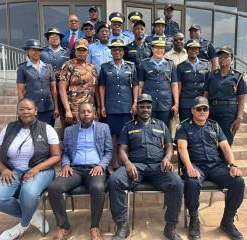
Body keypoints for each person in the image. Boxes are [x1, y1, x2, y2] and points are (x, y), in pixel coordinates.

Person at [108, 93, 183, 240]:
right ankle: (122, 226)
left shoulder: (161, 125)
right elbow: (121, 149)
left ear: (151, 108)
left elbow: (169, 146)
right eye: (142, 106)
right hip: (136, 167)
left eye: (148, 106)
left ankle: (170, 227)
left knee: (177, 183)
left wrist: (167, 158)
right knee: (114, 181)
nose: (145, 109)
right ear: (137, 109)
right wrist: (128, 163)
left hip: (158, 167)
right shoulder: (128, 127)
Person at [0, 98, 61, 240]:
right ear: (17, 111)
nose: (25, 111)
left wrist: (36, 169)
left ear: (36, 111)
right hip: (12, 170)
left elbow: (56, 156)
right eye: (21, 109)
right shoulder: (8, 128)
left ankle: (21, 226)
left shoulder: (47, 129)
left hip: (41, 170)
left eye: (29, 108)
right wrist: (4, 169)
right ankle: (32, 215)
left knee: (29, 192)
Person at [175, 96, 245, 240]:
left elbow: (225, 147)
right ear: (192, 110)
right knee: (192, 182)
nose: (202, 111)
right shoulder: (184, 126)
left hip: (215, 166)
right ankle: (194, 220)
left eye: (205, 108)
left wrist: (232, 165)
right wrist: (188, 167)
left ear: (208, 111)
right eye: (199, 108)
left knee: (238, 181)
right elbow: (182, 147)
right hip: (196, 166)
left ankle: (227, 222)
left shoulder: (215, 126)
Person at [48, 103, 112, 240]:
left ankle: (95, 226)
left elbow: (108, 152)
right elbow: (65, 152)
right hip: (75, 169)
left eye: (89, 111)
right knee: (54, 188)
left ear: (94, 114)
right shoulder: (69, 130)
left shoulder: (103, 128)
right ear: (78, 114)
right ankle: (64, 226)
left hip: (95, 168)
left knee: (98, 187)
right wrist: (65, 164)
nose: (86, 114)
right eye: (83, 111)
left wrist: (101, 165)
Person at [99, 39, 138, 169]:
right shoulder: (105, 67)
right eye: (115, 50)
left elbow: (135, 86)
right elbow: (102, 87)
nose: (117, 52)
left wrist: (135, 103)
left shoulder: (131, 66)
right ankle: (114, 162)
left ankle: (124, 162)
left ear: (123, 52)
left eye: (120, 50)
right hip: (110, 106)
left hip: (126, 107)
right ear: (111, 51)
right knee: (112, 137)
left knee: (125, 135)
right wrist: (102, 106)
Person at [203, 46, 247, 146]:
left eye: (225, 56)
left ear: (231, 59)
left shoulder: (238, 76)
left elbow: (241, 99)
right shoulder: (211, 75)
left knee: (226, 140)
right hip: (212, 111)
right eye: (220, 56)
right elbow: (205, 95)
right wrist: (204, 111)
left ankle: (224, 162)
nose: (222, 58)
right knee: (211, 139)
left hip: (229, 113)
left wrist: (239, 117)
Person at [138, 37, 179, 128]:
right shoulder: (143, 64)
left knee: (164, 128)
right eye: (156, 47)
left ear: (164, 50)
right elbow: (140, 85)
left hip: (165, 103)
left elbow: (174, 85)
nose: (159, 50)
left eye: (162, 48)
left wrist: (176, 104)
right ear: (152, 49)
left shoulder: (171, 64)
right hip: (148, 103)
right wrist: (138, 102)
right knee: (147, 128)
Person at [17, 39, 59, 127]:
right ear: (27, 51)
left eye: (39, 50)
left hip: (48, 107)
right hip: (31, 108)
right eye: (33, 50)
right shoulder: (22, 68)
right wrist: (22, 108)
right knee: (32, 133)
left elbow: (53, 89)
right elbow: (20, 91)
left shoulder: (48, 67)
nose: (36, 52)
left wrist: (56, 107)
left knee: (47, 133)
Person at [60, 38, 98, 125]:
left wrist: (99, 107)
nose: (81, 52)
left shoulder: (92, 67)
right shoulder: (68, 65)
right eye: (79, 50)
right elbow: (62, 89)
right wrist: (67, 110)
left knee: (90, 135)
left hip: (90, 109)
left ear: (88, 52)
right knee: (76, 136)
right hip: (75, 109)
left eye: (84, 50)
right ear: (75, 51)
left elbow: (95, 88)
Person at [41, 28, 70, 132]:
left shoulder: (67, 52)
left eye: (57, 37)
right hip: (47, 89)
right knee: (49, 114)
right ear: (48, 39)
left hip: (64, 89)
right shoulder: (42, 52)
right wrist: (51, 74)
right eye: (52, 37)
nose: (54, 39)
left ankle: (65, 136)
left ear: (61, 39)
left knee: (65, 113)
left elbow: (71, 68)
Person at [177, 39, 210, 121]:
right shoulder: (180, 66)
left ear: (198, 51)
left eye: (196, 49)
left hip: (201, 103)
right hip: (186, 103)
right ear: (187, 50)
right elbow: (178, 87)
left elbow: (207, 85)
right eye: (191, 49)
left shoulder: (205, 65)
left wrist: (204, 100)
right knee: (185, 125)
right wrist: (177, 104)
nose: (193, 51)